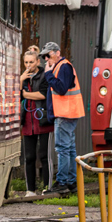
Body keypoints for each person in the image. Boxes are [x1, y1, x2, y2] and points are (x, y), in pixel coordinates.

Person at [40, 41, 83, 195]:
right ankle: (71, 182)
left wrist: (48, 75)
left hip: (65, 113)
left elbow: (61, 89)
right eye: (44, 57)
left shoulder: (63, 67)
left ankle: (62, 182)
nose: (46, 59)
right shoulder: (62, 66)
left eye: (48, 55)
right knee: (69, 149)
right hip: (68, 113)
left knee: (62, 149)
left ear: (57, 53)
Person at [19, 49, 52, 196]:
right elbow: (17, 96)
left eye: (31, 62)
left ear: (38, 62)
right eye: (26, 62)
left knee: (44, 155)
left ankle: (47, 187)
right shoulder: (23, 77)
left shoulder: (44, 75)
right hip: (27, 121)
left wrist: (25, 94)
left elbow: (43, 95)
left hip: (42, 119)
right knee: (29, 157)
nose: (28, 65)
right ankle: (30, 189)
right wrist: (21, 80)